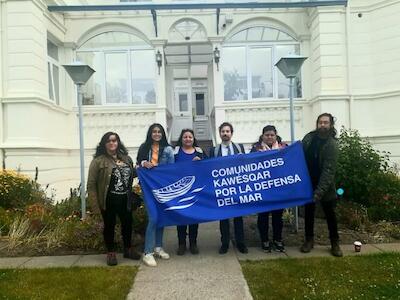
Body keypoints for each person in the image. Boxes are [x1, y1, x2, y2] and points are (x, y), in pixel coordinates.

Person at [87, 132, 141, 266]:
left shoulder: (126, 159)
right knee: (109, 226)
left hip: (125, 198)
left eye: (114, 140)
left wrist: (142, 169)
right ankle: (110, 253)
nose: (112, 143)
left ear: (118, 143)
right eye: (109, 141)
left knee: (127, 224)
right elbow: (91, 185)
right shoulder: (98, 161)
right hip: (108, 199)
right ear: (104, 144)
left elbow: (130, 175)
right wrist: (95, 206)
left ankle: (128, 249)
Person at [300, 113, 343, 257]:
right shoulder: (309, 138)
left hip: (325, 186)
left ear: (330, 125)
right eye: (320, 122)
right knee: (309, 213)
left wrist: (319, 192)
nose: (322, 125)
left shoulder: (332, 144)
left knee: (330, 215)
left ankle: (335, 243)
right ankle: (309, 240)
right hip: (308, 183)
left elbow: (329, 171)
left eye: (325, 123)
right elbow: (298, 153)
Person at [137, 123, 175, 267]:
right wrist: (144, 162)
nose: (157, 134)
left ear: (162, 134)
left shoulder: (168, 149)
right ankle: (147, 252)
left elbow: (171, 169)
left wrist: (159, 169)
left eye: (159, 132)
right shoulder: (144, 147)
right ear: (150, 133)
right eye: (154, 131)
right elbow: (139, 163)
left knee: (161, 217)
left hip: (163, 189)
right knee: (153, 218)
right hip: (148, 188)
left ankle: (158, 247)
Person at [209, 122, 248, 254]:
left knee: (238, 216)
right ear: (219, 133)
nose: (225, 133)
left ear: (231, 133)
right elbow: (209, 168)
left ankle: (240, 243)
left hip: (237, 186)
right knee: (223, 217)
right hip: (222, 187)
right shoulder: (214, 150)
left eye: (227, 131)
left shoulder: (239, 147)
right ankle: (224, 243)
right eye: (223, 131)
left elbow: (246, 165)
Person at [250, 125, 286, 253]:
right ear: (263, 136)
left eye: (272, 135)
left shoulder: (284, 148)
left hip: (278, 188)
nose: (269, 137)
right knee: (263, 216)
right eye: (267, 135)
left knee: (278, 216)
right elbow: (250, 166)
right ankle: (264, 240)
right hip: (263, 189)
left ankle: (278, 239)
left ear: (275, 135)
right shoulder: (256, 149)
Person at [173, 129, 207, 256]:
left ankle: (193, 243)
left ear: (193, 139)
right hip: (180, 189)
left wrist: (201, 162)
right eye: (185, 137)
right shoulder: (175, 152)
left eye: (190, 137)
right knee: (180, 217)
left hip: (195, 189)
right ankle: (181, 243)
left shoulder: (200, 152)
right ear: (181, 139)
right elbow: (168, 167)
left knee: (194, 217)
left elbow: (207, 168)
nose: (188, 139)